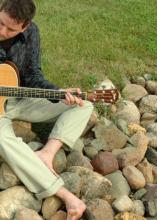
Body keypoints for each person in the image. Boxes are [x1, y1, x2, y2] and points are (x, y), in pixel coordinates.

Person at [0, 0, 93, 219]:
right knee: (2, 139)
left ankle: (47, 153)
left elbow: (33, 75)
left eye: (10, 29)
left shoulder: (32, 33)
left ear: (24, 26)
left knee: (83, 104)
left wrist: (59, 93)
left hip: (19, 98)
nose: (2, 31)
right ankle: (65, 194)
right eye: (0, 22)